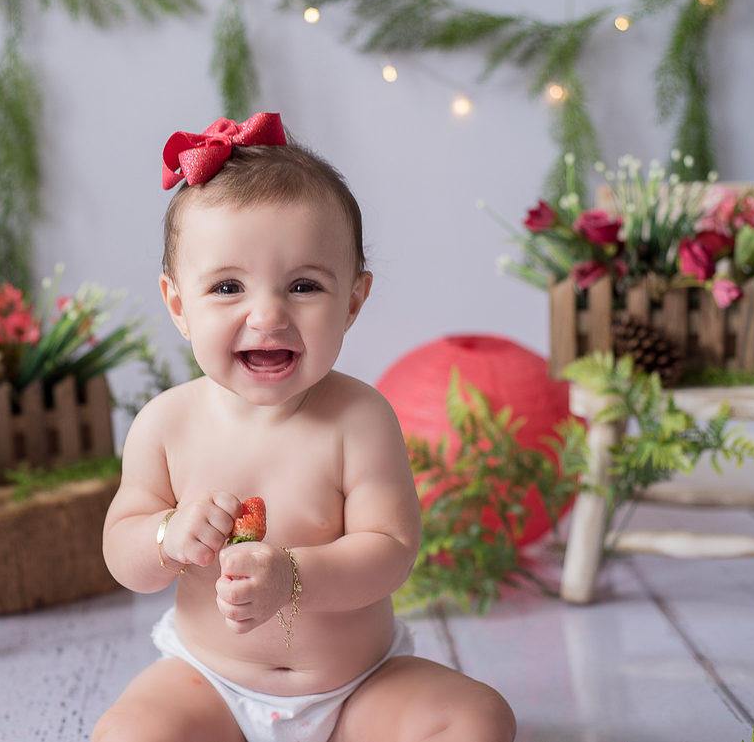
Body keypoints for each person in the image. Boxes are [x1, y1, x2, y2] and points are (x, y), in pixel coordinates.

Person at [95, 113, 516, 742]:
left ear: (352, 301)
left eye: (303, 285)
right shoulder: (166, 423)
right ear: (179, 305)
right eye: (228, 286)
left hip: (358, 689)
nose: (267, 314)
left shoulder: (360, 420)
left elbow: (391, 551)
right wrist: (166, 535)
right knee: (128, 735)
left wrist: (292, 579)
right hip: (211, 684)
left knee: (480, 720)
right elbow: (122, 553)